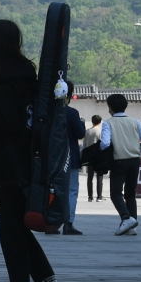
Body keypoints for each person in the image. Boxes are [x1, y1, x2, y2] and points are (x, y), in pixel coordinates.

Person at [0, 20, 69, 282]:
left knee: (11, 231)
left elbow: (8, 127)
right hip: (25, 165)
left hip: (10, 168)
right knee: (16, 229)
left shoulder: (5, 84)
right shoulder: (27, 76)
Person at [101, 93, 141, 236]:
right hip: (134, 160)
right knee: (130, 194)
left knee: (115, 193)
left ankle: (126, 218)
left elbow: (105, 143)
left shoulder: (108, 123)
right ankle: (132, 226)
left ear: (110, 107)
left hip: (119, 160)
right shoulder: (135, 122)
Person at [60, 85, 86, 235]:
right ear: (69, 95)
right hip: (70, 156)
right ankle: (68, 223)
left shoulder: (47, 112)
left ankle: (52, 220)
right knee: (71, 190)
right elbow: (80, 133)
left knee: (54, 188)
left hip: (51, 158)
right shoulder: (72, 113)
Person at [84, 115, 105, 202]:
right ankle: (99, 196)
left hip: (89, 157)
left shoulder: (87, 132)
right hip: (98, 157)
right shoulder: (100, 132)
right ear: (100, 122)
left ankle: (90, 196)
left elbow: (84, 145)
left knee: (90, 177)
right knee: (99, 177)